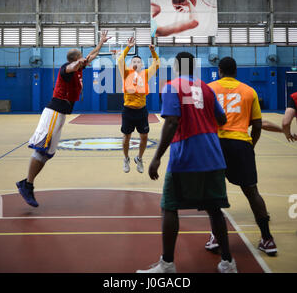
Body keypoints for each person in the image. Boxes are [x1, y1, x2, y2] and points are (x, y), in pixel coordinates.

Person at [137, 52, 237, 273]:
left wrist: (156, 157)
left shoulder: (172, 86)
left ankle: (168, 264)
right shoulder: (207, 88)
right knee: (215, 209)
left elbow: (172, 122)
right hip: (213, 155)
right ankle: (228, 263)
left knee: (170, 207)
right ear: (194, 66)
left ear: (175, 67)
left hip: (186, 156)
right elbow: (222, 119)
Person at [16, 31, 110, 207]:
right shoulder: (66, 69)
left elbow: (93, 55)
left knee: (48, 154)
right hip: (54, 112)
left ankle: (27, 183)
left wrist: (101, 42)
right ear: (75, 58)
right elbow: (71, 67)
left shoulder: (80, 67)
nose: (85, 60)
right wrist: (77, 63)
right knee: (40, 148)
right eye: (81, 57)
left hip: (61, 115)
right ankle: (27, 185)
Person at [207, 57, 277, 256]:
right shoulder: (249, 91)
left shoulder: (209, 88)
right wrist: (250, 145)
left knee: (214, 194)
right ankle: (267, 239)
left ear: (220, 70)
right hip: (241, 144)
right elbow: (257, 125)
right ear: (236, 71)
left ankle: (215, 237)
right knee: (252, 192)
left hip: (216, 144)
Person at [118, 37, 160, 174]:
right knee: (126, 138)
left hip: (141, 111)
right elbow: (119, 60)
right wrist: (128, 47)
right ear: (131, 64)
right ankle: (126, 158)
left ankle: (139, 158)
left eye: (139, 61)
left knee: (144, 137)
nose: (136, 63)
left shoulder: (145, 74)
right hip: (128, 111)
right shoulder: (126, 74)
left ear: (142, 65)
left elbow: (157, 64)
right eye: (134, 61)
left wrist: (153, 52)